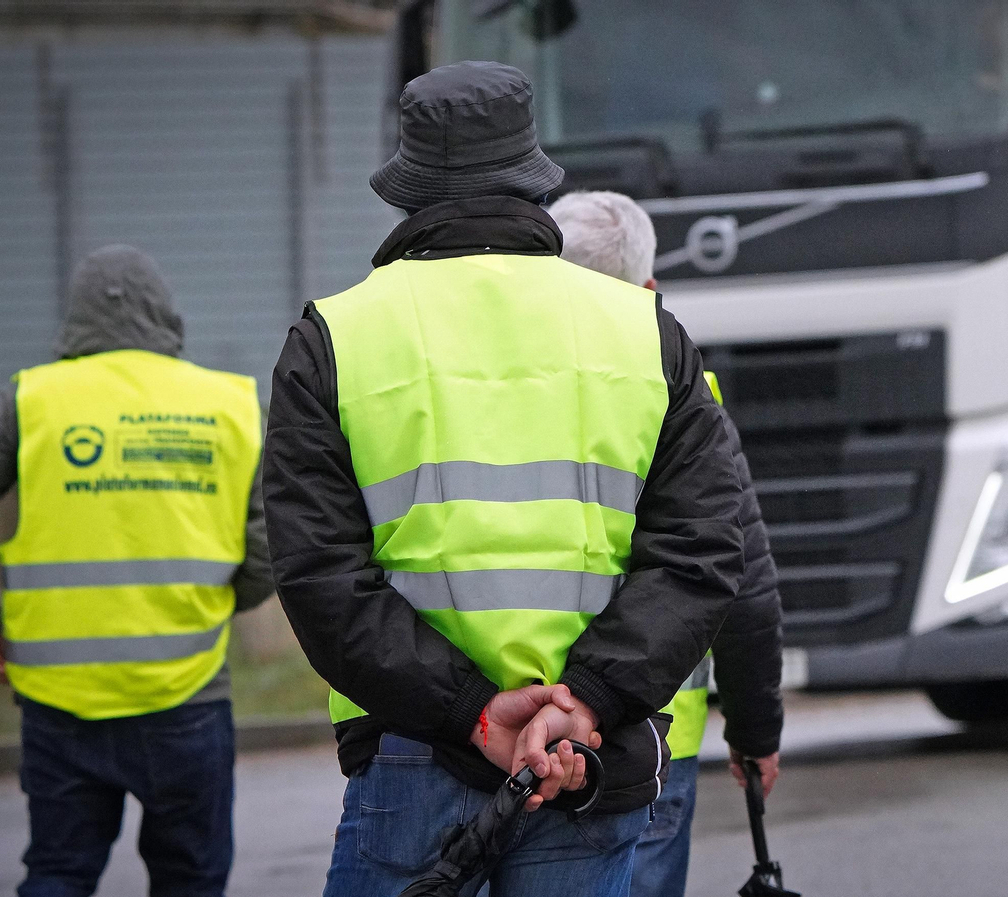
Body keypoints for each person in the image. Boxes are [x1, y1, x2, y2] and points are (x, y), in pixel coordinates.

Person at [262, 61, 746, 897]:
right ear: (533, 177)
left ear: (409, 190)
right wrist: (585, 700)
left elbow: (320, 577)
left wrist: (475, 714)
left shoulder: (333, 339)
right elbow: (702, 550)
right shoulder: (644, 331)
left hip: (415, 752)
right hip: (584, 756)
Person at [0, 244, 273, 897]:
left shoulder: (33, 399)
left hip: (59, 701)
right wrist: (226, 597)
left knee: (59, 874)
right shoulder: (229, 403)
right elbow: (277, 527)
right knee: (191, 880)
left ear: (75, 320)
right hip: (186, 692)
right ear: (166, 314)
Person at [548, 190, 786, 897]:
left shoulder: (483, 391)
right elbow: (741, 588)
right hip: (648, 740)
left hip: (504, 730)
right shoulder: (685, 396)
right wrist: (754, 732)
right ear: (649, 291)